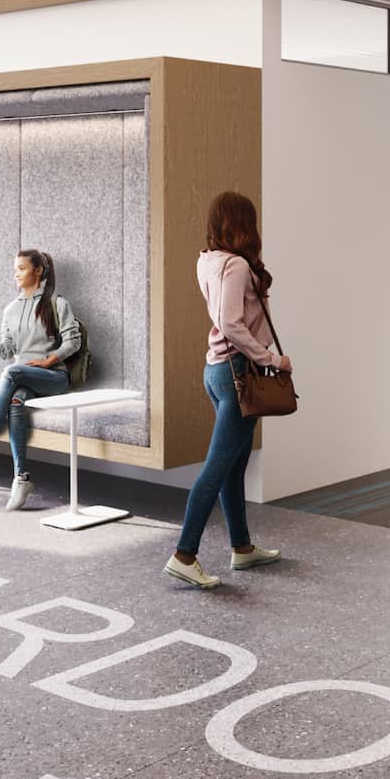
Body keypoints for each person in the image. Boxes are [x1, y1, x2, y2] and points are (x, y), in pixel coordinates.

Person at [167, 191, 284, 588]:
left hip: (218, 370)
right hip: (237, 371)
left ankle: (242, 548)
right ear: (243, 222)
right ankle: (185, 554)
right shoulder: (234, 265)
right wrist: (271, 359)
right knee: (217, 468)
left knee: (235, 464)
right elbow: (231, 323)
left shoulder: (208, 259)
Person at [0, 250, 81, 510]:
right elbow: (7, 353)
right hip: (24, 380)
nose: (16, 274)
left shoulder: (56, 304)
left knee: (12, 372)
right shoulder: (10, 310)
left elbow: (73, 341)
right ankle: (21, 478)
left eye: (21, 268)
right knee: (16, 402)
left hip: (54, 377)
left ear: (38, 271)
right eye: (15, 269)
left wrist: (49, 360)